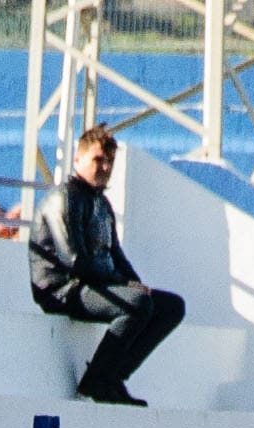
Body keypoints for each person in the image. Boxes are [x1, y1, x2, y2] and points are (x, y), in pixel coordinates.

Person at [29, 127, 182, 407]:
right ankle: (95, 381)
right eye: (98, 160)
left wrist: (136, 284)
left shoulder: (101, 203)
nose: (105, 167)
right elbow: (74, 261)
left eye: (109, 161)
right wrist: (124, 286)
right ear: (78, 159)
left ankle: (113, 377)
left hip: (93, 285)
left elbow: (116, 255)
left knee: (171, 307)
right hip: (63, 289)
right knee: (136, 304)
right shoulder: (63, 198)